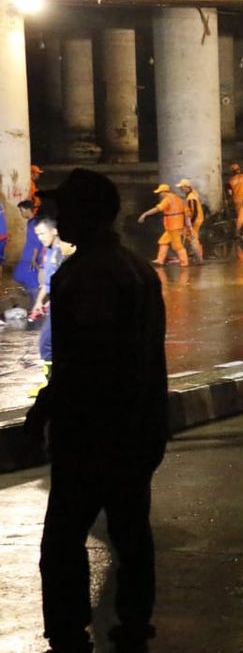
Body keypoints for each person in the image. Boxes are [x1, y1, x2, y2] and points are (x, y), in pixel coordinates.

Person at [24, 168, 168, 653]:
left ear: (88, 214)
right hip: (138, 428)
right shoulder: (137, 268)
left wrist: (43, 411)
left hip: (93, 432)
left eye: (65, 209)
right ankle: (133, 622)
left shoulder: (86, 276)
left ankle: (67, 631)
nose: (58, 217)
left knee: (62, 541)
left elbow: (87, 358)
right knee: (131, 531)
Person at [28, 217, 75, 398]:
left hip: (65, 305)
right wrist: (40, 302)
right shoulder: (50, 251)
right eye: (37, 235)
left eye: (42, 233)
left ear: (55, 231)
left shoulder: (64, 250)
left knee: (47, 343)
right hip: (56, 303)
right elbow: (47, 283)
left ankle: (51, 384)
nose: (40, 237)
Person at [137, 184, 189, 267]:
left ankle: (184, 262)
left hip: (173, 225)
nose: (160, 195)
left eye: (160, 193)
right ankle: (160, 260)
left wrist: (145, 214)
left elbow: (158, 208)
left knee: (177, 245)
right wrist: (187, 224)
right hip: (174, 225)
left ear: (164, 192)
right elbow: (186, 211)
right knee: (163, 241)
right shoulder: (177, 198)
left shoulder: (167, 199)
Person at [13, 199, 43, 298]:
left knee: (27, 278)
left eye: (21, 211)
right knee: (19, 275)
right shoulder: (33, 222)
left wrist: (34, 259)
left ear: (26, 209)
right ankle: (33, 294)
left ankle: (36, 304)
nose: (21, 213)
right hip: (29, 256)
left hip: (30, 258)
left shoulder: (32, 224)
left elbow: (36, 242)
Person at [176, 179, 205, 263]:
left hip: (195, 220)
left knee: (193, 238)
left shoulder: (191, 197)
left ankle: (199, 259)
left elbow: (194, 211)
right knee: (193, 237)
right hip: (197, 219)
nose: (180, 189)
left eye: (181, 187)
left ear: (186, 187)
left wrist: (190, 223)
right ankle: (195, 255)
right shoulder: (193, 193)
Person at [226, 163, 243, 239]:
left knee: (240, 215)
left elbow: (229, 193)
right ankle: (238, 232)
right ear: (239, 169)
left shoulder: (230, 180)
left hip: (237, 200)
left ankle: (242, 232)